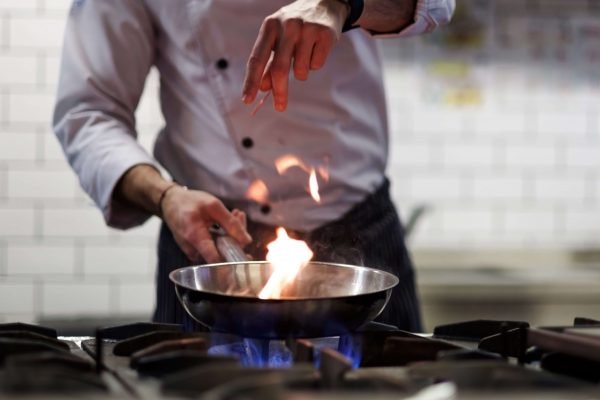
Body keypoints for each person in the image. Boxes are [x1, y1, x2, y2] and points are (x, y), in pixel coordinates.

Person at [53, 0, 454, 333]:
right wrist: (166, 197)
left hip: (361, 233)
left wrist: (341, 5)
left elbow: (434, 4)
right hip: (209, 244)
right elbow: (89, 113)